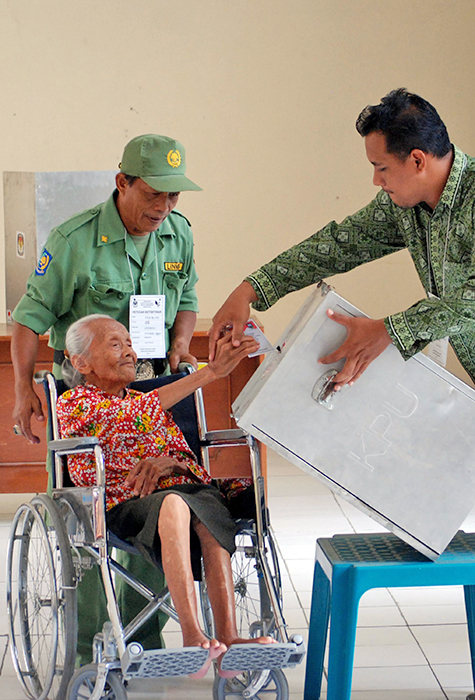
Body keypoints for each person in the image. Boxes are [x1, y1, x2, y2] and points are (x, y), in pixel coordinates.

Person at [10, 133, 202, 662]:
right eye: (153, 195)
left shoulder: (177, 235)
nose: (163, 208)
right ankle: (92, 642)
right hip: (87, 396)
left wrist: (182, 344)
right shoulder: (74, 240)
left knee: (163, 502)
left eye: (173, 197)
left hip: (150, 392)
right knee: (92, 518)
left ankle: (147, 632)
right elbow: (29, 319)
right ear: (123, 183)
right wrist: (23, 389)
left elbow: (185, 299)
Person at [209, 88, 475, 388]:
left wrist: (386, 331)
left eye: (381, 167)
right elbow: (339, 245)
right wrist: (249, 290)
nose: (376, 180)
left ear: (417, 161)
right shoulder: (403, 207)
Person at [57, 314, 275, 678]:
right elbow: (132, 416)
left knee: (206, 502)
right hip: (124, 508)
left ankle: (229, 639)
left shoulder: (146, 402)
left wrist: (168, 463)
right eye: (115, 344)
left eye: (129, 343)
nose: (130, 352)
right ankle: (193, 636)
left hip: (185, 499)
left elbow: (188, 460)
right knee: (176, 502)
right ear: (80, 362)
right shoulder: (76, 404)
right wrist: (210, 372)